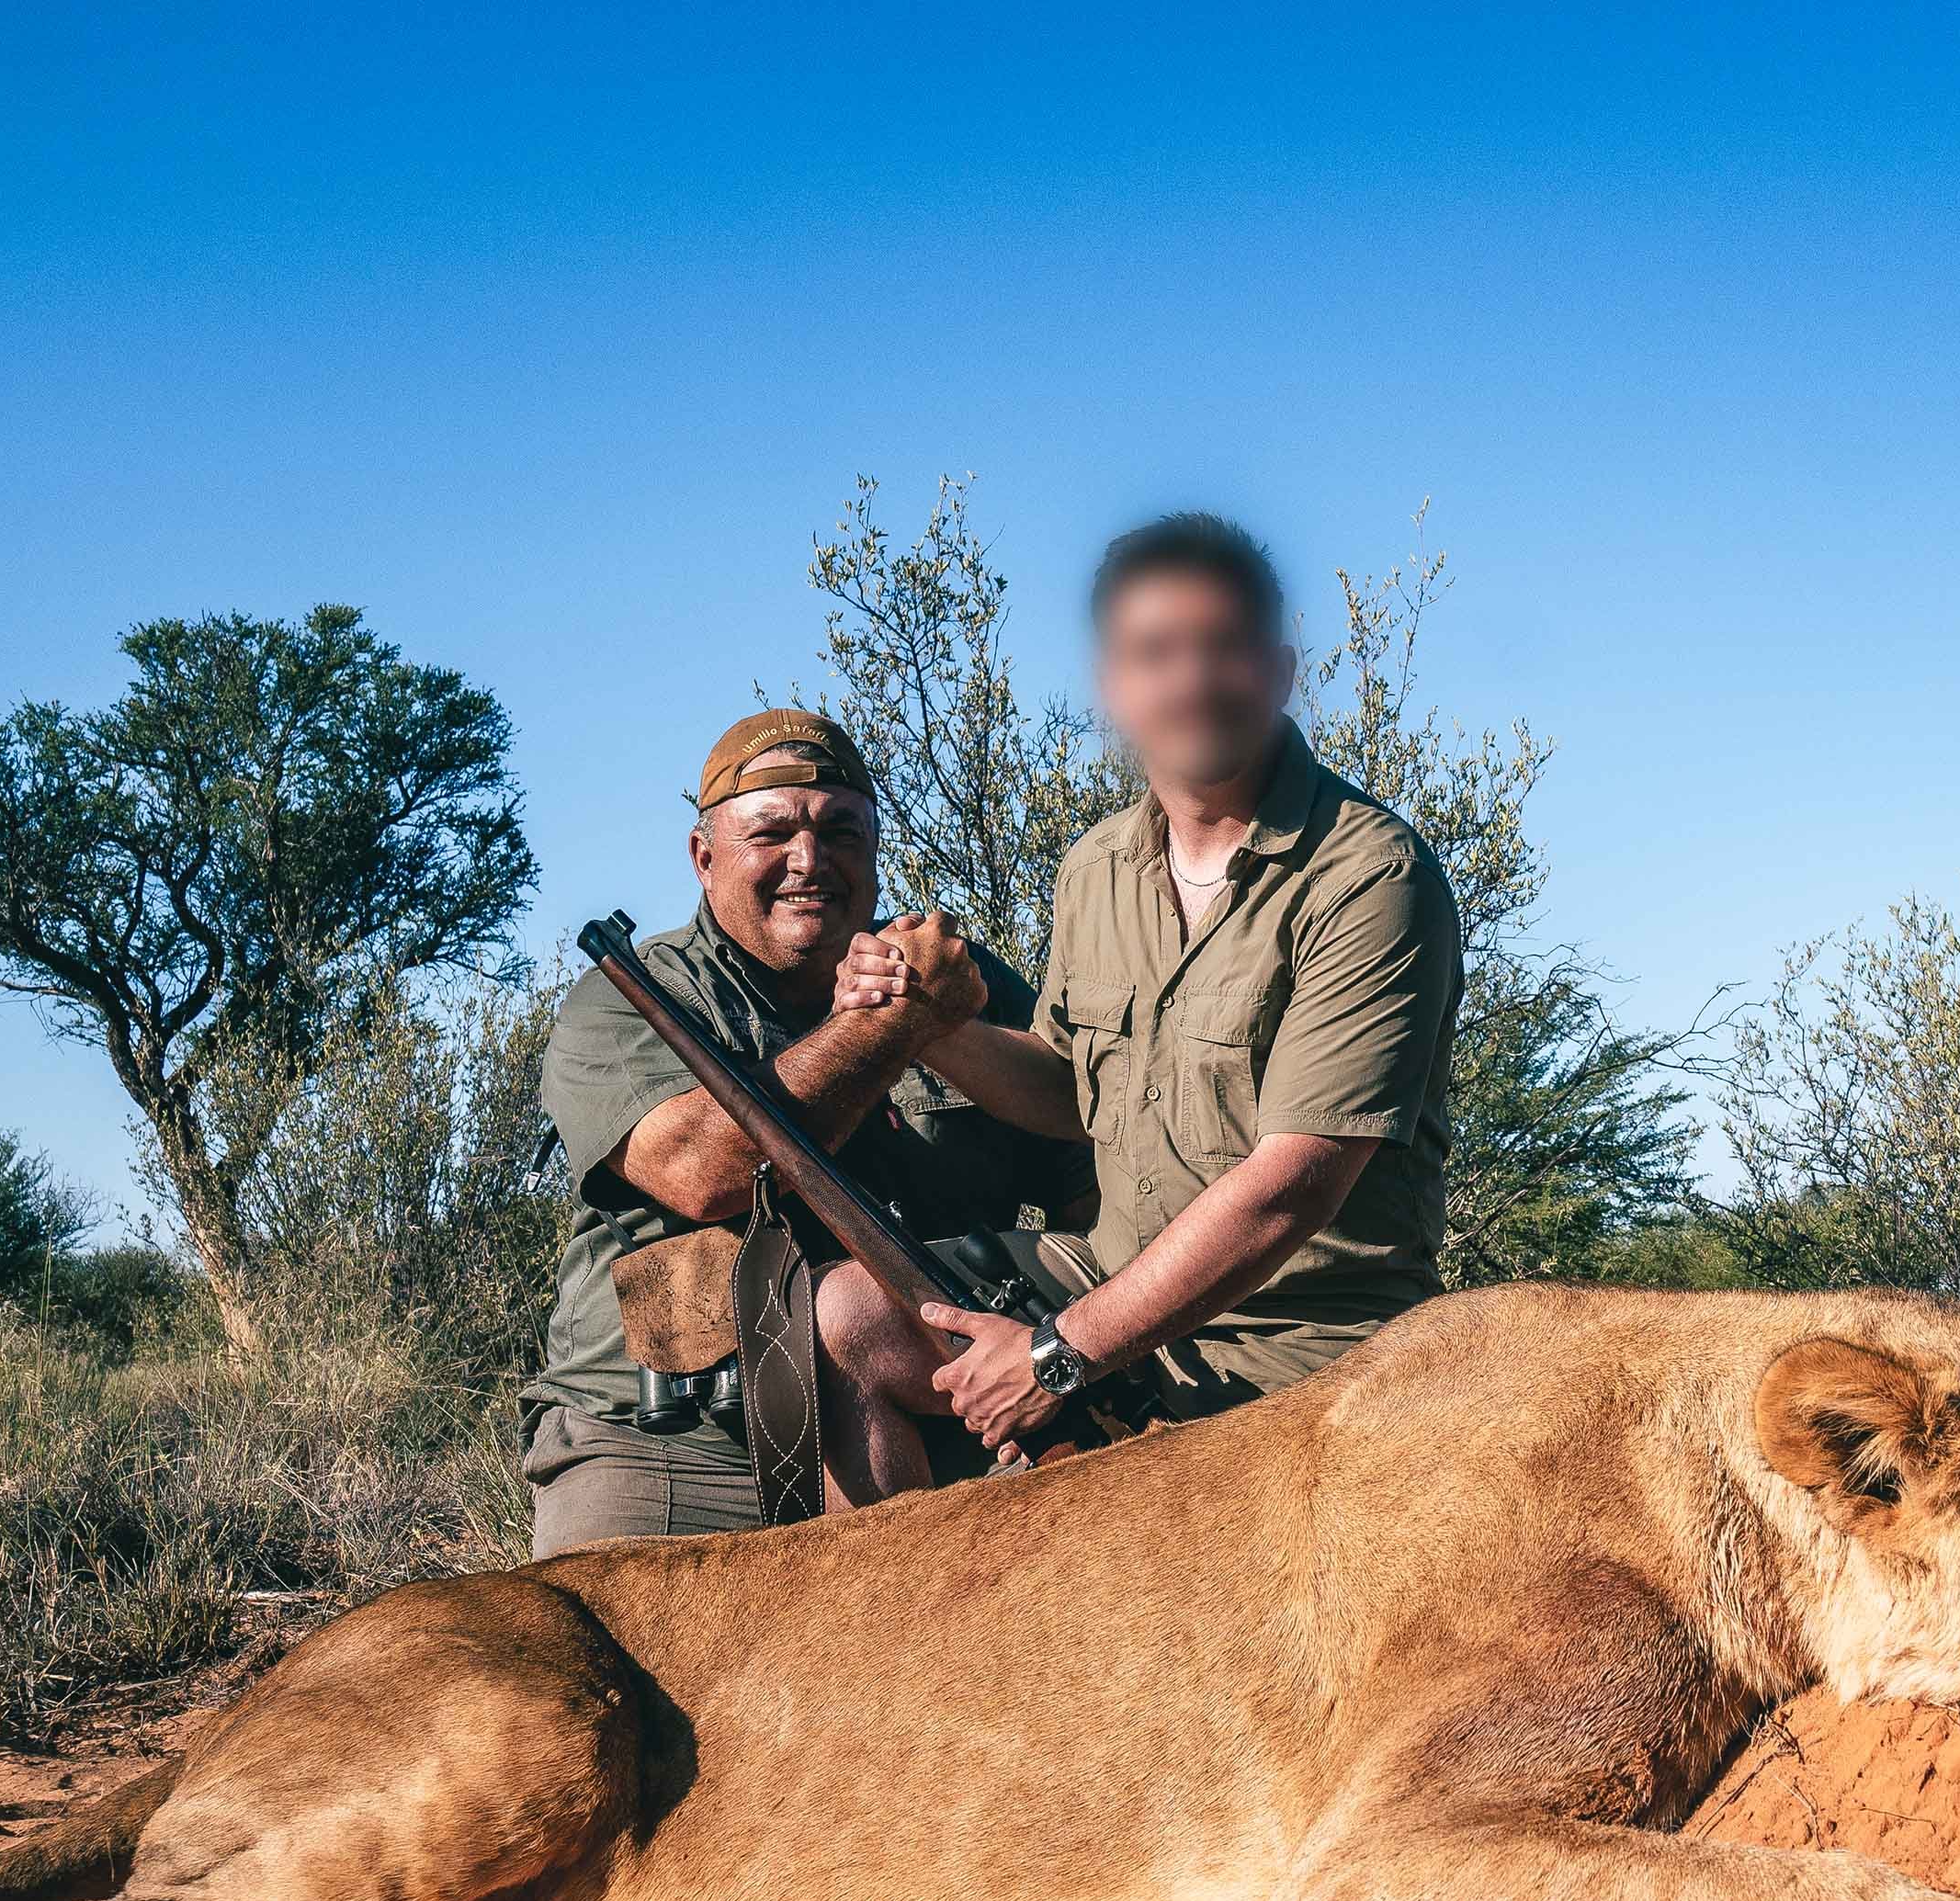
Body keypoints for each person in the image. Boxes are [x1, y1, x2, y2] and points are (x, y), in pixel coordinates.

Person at [821, 513, 1464, 1498]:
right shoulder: (1091, 869)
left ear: (1281, 670)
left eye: (1224, 649)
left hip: (1309, 1341)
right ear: (1112, 687)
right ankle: (916, 1624)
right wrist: (931, 1026)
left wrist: (1056, 1355)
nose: (1191, 683)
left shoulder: (1370, 875)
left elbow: (1294, 1183)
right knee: (848, 1316)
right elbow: (1070, 1096)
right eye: (1154, 655)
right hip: (1107, 1285)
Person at [520, 709, 1089, 1554]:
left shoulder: (952, 976)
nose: (809, 860)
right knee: (588, 1655)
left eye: (840, 832)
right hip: (673, 1443)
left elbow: (1089, 1150)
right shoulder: (625, 998)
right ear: (703, 855)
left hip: (944, 1413)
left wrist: (1057, 1359)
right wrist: (891, 1026)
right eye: (772, 832)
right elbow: (702, 1171)